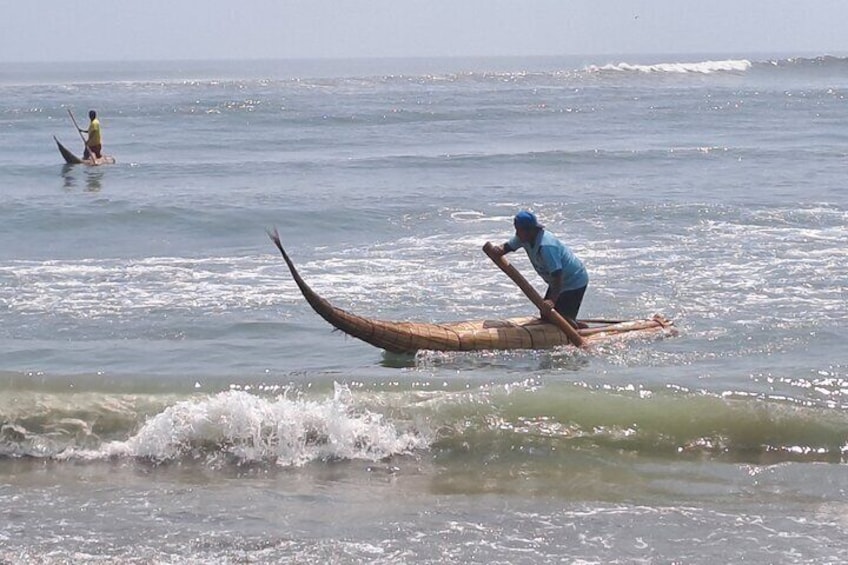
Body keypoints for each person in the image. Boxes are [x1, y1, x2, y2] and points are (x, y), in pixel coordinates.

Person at [491, 210, 589, 326]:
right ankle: (575, 324)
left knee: (561, 320)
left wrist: (552, 301)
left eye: (520, 230)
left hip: (574, 280)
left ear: (531, 230)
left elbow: (557, 275)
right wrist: (499, 249)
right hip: (557, 282)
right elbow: (507, 247)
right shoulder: (523, 238)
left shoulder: (546, 246)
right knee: (546, 315)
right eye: (516, 229)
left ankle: (580, 330)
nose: (517, 233)